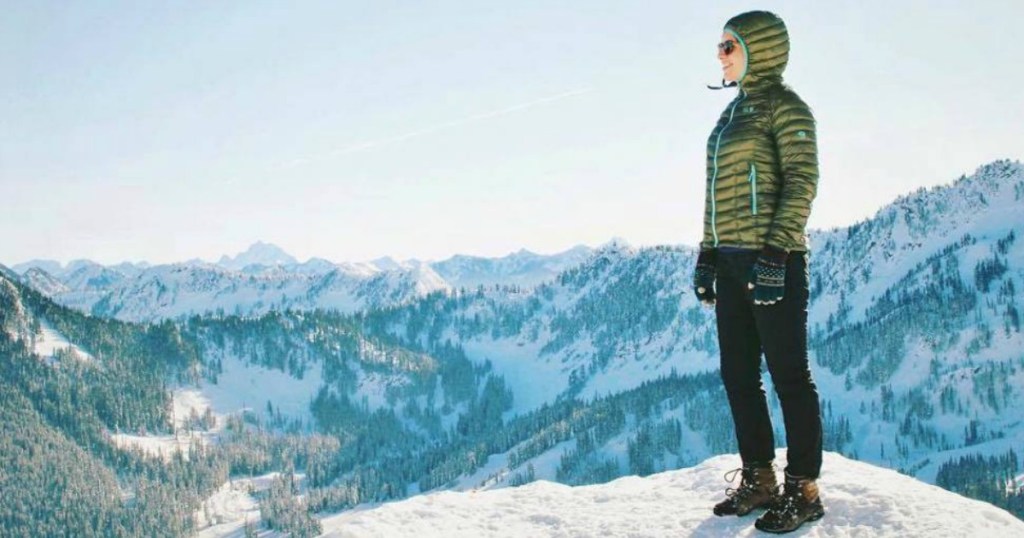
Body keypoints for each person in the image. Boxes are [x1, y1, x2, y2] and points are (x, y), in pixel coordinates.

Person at [693, 10, 825, 534]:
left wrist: (775, 253)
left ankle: (804, 490)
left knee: (790, 376)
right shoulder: (730, 116)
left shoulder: (786, 109)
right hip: (730, 260)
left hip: (775, 260)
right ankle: (760, 480)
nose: (720, 54)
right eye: (720, 46)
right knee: (739, 374)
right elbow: (713, 194)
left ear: (761, 48)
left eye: (730, 45)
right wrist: (708, 252)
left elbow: (802, 182)